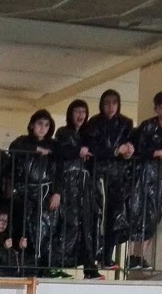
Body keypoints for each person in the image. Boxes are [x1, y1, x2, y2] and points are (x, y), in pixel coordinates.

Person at [123, 90, 162, 270]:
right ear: (156, 109)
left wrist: (161, 154)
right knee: (138, 211)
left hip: (161, 175)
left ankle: (140, 256)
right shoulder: (147, 126)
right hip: (143, 173)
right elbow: (140, 149)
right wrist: (156, 153)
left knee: (154, 215)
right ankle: (133, 255)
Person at [82, 88, 134, 268]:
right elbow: (93, 149)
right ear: (101, 105)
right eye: (107, 103)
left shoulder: (126, 123)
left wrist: (128, 152)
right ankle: (94, 256)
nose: (110, 106)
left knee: (115, 215)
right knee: (98, 214)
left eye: (114, 103)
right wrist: (115, 151)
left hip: (117, 175)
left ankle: (107, 256)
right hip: (98, 174)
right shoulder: (94, 123)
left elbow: (129, 145)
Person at [8, 110, 61, 271]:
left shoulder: (54, 146)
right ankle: (24, 267)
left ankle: (43, 269)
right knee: (24, 231)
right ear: (32, 125)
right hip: (24, 193)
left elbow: (59, 169)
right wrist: (36, 149)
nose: (42, 128)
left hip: (46, 194)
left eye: (46, 125)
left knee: (45, 232)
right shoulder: (22, 141)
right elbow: (13, 148)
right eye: (39, 124)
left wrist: (57, 192)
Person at [52, 99, 101, 277]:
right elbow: (61, 154)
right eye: (77, 111)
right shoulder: (63, 132)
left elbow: (97, 153)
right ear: (70, 113)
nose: (80, 115)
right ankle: (56, 264)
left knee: (87, 225)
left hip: (85, 186)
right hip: (68, 183)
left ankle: (89, 267)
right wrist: (79, 151)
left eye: (83, 111)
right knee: (68, 223)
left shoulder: (89, 134)